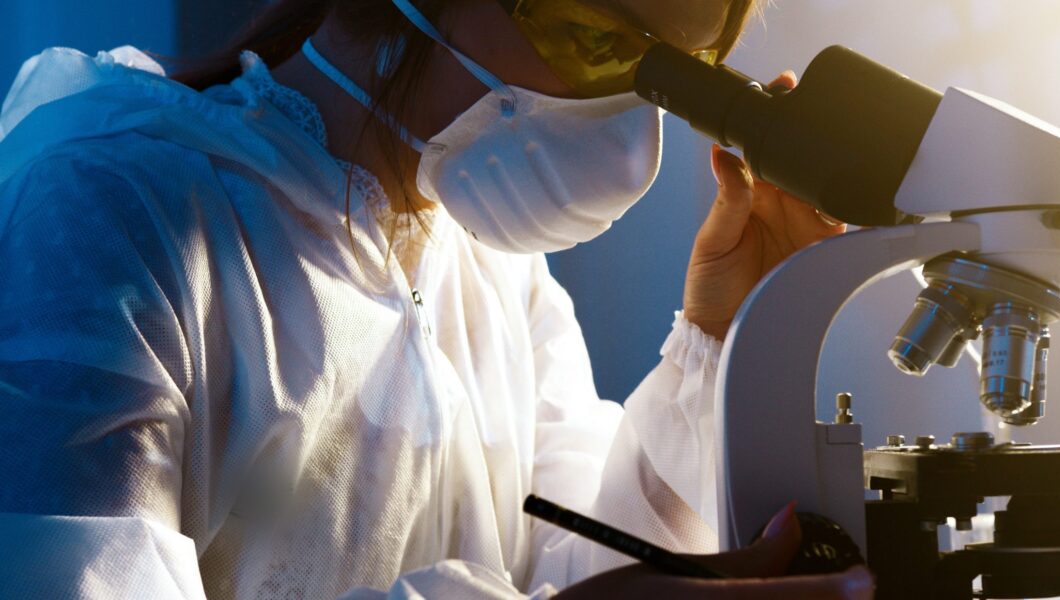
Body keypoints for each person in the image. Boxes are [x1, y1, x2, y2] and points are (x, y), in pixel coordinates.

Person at [0, 0, 871, 597]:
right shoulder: (109, 216)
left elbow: (592, 565)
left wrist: (716, 339)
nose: (629, 120)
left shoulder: (493, 269)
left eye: (682, 76)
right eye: (596, 38)